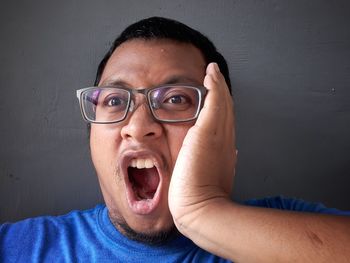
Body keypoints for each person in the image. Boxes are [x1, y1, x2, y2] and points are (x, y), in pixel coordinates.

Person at [1, 17, 349, 263]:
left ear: (220, 127)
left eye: (174, 99)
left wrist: (204, 213)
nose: (137, 127)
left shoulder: (294, 232)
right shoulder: (17, 247)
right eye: (114, 100)